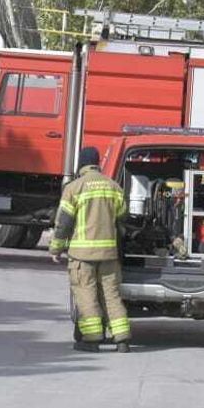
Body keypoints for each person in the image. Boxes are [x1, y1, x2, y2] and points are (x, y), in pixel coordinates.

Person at [49, 146, 131, 353]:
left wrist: (56, 249)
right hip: (109, 255)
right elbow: (123, 217)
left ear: (81, 164)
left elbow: (64, 223)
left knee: (86, 295)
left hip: (82, 255)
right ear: (97, 163)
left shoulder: (74, 188)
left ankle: (92, 339)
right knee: (111, 295)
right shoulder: (114, 187)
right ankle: (121, 339)